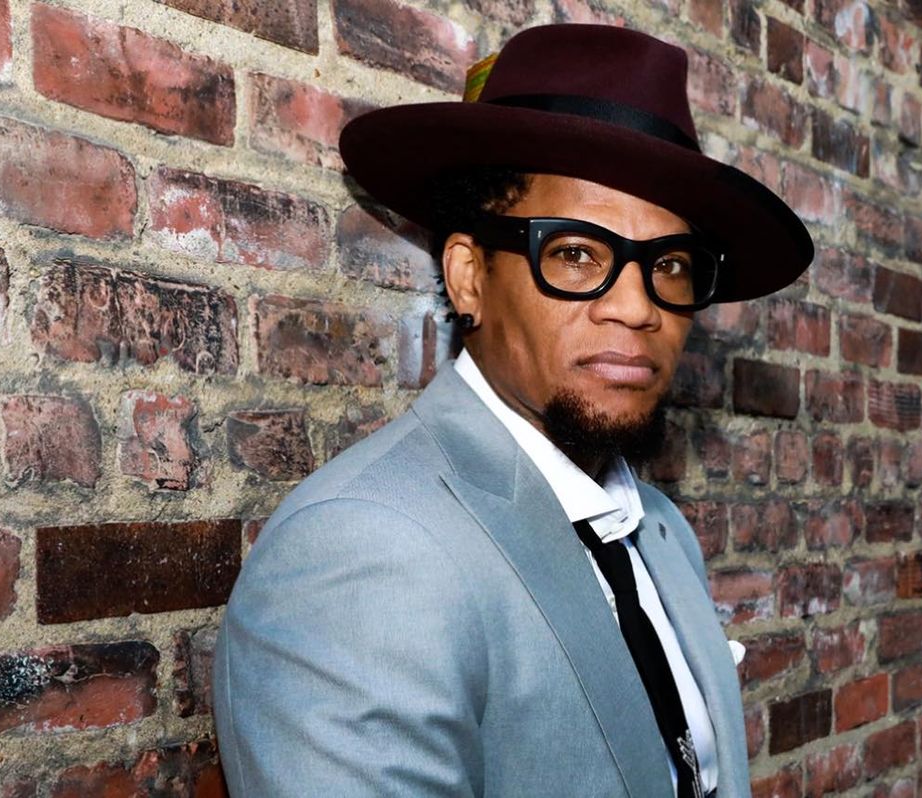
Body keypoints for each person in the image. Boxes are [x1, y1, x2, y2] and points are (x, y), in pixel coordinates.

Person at [213, 24, 813, 798]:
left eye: (670, 265)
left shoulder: (659, 530)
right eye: (576, 253)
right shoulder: (362, 551)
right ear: (469, 277)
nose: (638, 308)